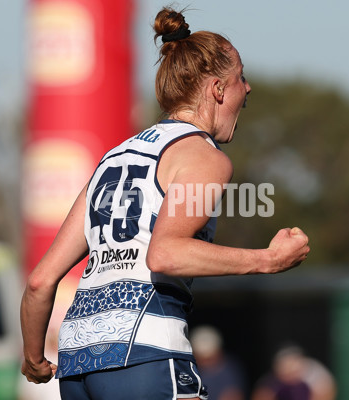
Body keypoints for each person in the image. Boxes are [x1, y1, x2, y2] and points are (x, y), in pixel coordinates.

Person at [20, 6, 310, 400]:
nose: (248, 88)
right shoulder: (202, 156)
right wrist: (268, 260)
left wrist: (34, 358)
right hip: (146, 354)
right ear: (218, 89)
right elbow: (166, 255)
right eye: (241, 77)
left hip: (76, 366)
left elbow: (40, 282)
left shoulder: (112, 159)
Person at [190, 325, 247, 400]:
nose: (205, 363)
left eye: (209, 358)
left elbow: (233, 395)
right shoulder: (185, 370)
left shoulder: (230, 371)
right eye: (201, 358)